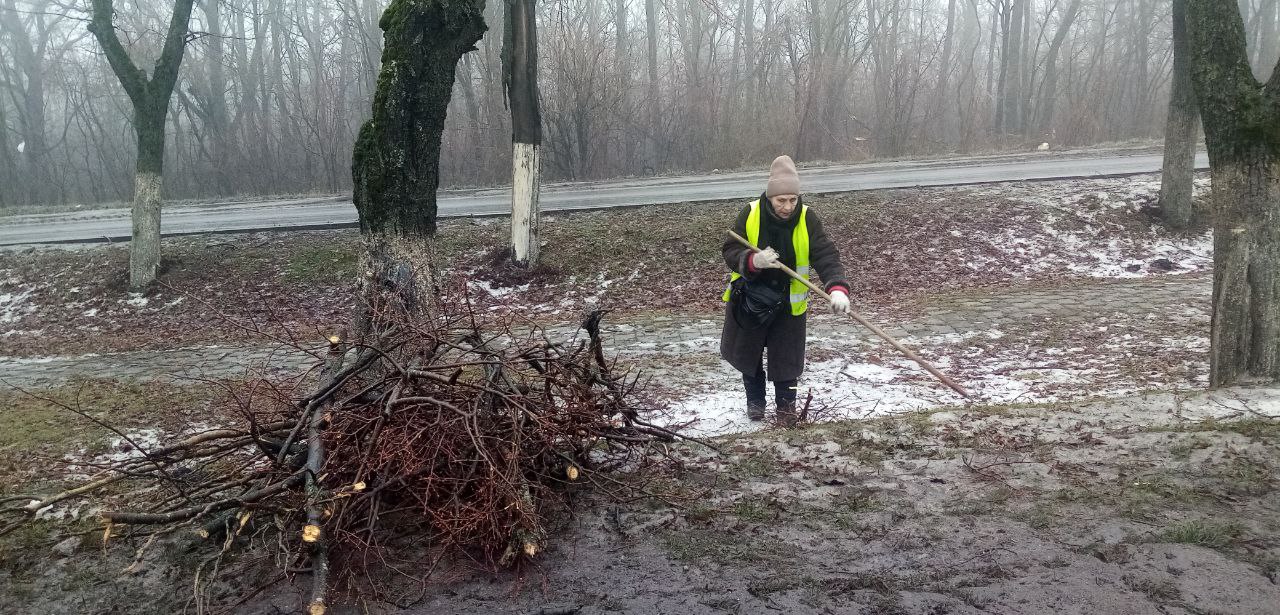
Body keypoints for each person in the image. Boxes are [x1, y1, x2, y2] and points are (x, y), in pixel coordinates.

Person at [720, 155, 851, 425]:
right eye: (781, 200)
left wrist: (837, 288)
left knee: (787, 361)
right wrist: (753, 260)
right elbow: (730, 250)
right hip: (750, 300)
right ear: (770, 198)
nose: (788, 206)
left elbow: (825, 254)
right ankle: (755, 403)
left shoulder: (807, 217)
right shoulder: (751, 213)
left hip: (789, 305)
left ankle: (786, 410)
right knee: (749, 355)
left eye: (792, 199)